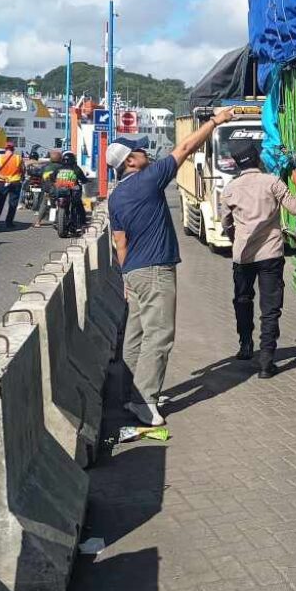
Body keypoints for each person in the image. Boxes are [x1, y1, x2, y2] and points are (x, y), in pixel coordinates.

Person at [109, 110, 237, 426]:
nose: (145, 152)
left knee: (136, 335)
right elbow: (184, 149)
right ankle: (144, 400)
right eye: (139, 150)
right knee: (160, 335)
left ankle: (129, 394)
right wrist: (215, 122)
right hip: (155, 271)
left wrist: (126, 276)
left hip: (135, 272)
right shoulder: (148, 179)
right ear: (129, 162)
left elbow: (120, 242)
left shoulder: (116, 196)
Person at [219, 139, 296, 378]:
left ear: (237, 164)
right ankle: (266, 362)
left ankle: (245, 345)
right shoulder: (272, 182)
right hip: (271, 254)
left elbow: (225, 222)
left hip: (243, 256)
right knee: (270, 309)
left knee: (243, 300)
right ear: (257, 159)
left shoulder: (231, 189)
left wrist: (237, 237)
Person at [0, 140, 24, 227]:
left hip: (3, 182)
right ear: (13, 149)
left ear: (5, 149)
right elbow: (23, 170)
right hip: (15, 182)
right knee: (13, 203)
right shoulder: (18, 158)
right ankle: (9, 222)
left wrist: (3, 177)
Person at [33, 148, 64, 227]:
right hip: (60, 189)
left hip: (48, 189)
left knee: (44, 204)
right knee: (59, 205)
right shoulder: (63, 167)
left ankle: (38, 222)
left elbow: (38, 173)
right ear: (60, 158)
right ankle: (56, 220)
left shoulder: (46, 167)